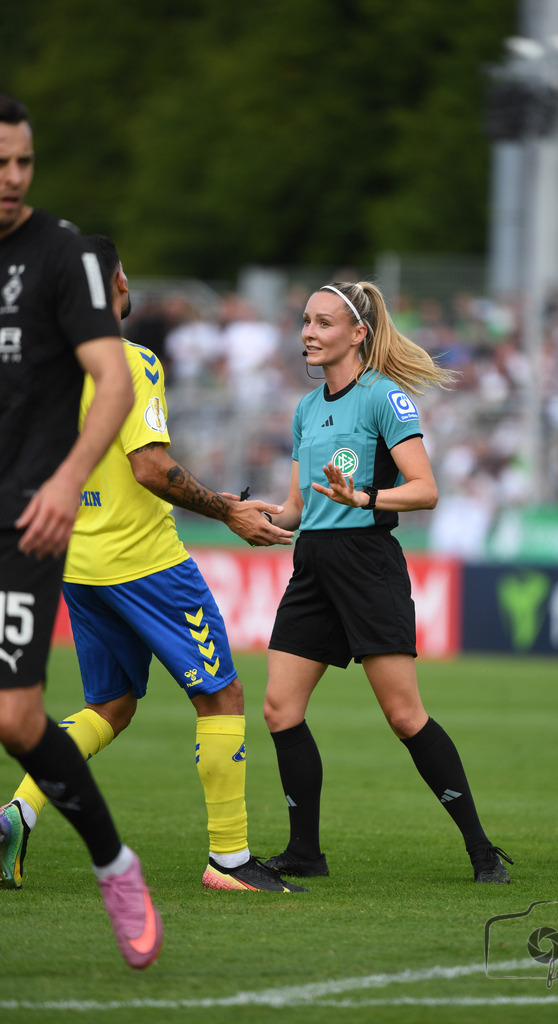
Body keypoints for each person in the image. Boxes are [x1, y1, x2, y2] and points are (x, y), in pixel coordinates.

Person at [1, 234, 307, 894]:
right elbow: (150, 468)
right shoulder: (129, 362)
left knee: (109, 704)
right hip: (145, 563)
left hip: (78, 565)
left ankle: (17, 813)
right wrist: (227, 512)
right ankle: (229, 858)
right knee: (220, 693)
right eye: (121, 274)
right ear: (110, 287)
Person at [262, 281, 513, 884]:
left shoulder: (385, 398)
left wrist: (366, 496)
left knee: (404, 715)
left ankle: (482, 851)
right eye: (305, 321)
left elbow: (426, 490)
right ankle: (304, 855)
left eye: (324, 323)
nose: (309, 332)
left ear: (357, 334)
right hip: (314, 563)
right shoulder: (304, 408)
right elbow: (298, 508)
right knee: (279, 708)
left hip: (367, 562)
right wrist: (250, 515)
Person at [0, 95, 162, 968]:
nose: (14, 180)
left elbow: (114, 378)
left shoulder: (61, 256)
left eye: (23, 163)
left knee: (16, 716)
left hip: (29, 515)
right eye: (1, 165)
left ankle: (115, 864)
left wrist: (65, 479)